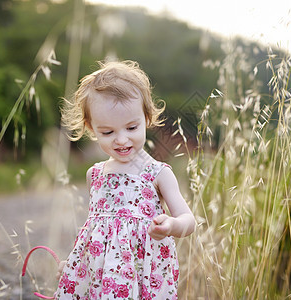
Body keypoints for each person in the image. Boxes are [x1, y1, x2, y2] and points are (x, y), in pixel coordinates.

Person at [55, 60, 196, 299]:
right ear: (91, 128)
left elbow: (189, 220)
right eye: (108, 132)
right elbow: (94, 232)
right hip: (101, 278)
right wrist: (74, 263)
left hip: (143, 276)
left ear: (147, 118)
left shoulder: (158, 173)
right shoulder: (95, 174)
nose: (121, 140)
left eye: (131, 128)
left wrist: (172, 225)